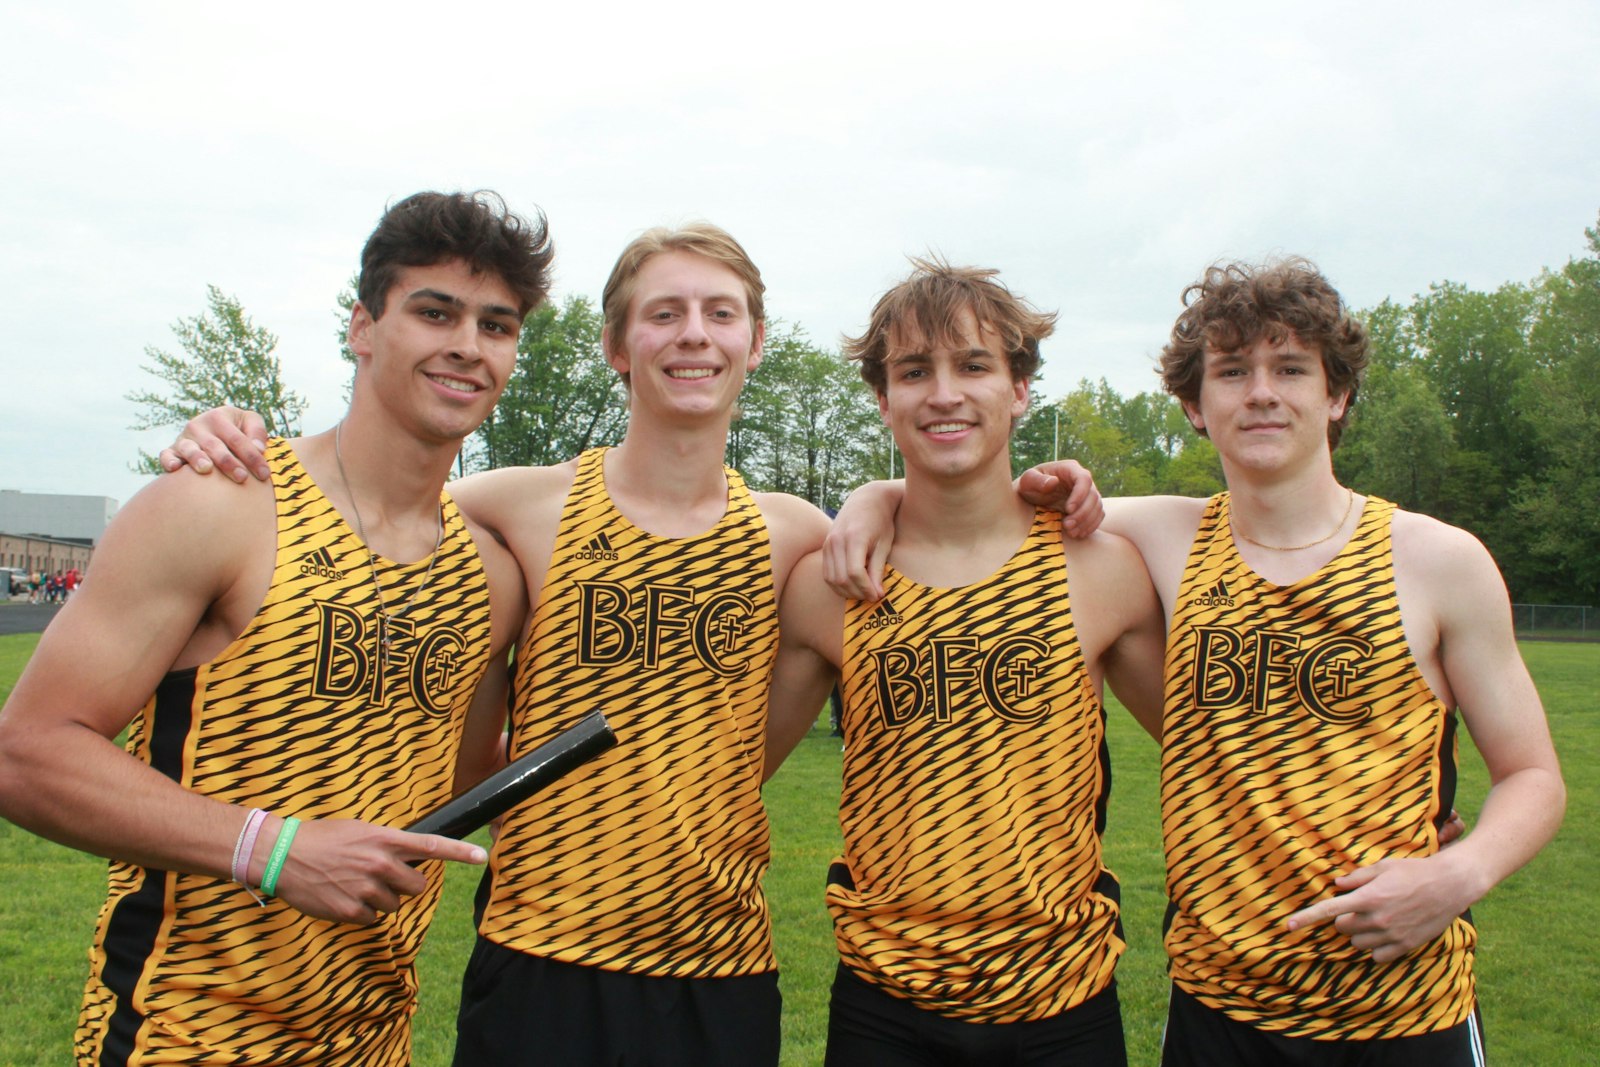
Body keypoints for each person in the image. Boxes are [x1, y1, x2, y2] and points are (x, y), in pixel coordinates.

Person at [827, 258, 1566, 1064]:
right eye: (1232, 371)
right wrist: (878, 496)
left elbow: (1534, 774)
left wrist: (1455, 877)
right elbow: (981, 497)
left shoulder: (1437, 559)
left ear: (1338, 393)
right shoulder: (1163, 539)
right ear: (1193, 403)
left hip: (1402, 998)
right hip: (1220, 1007)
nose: (1261, 392)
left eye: (1291, 369)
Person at [0, 190, 551, 1066]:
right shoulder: (219, 504)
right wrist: (272, 847)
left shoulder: (489, 574)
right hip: (186, 1031)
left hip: (376, 1037)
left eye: (497, 325)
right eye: (434, 312)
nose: (467, 346)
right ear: (362, 327)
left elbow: (462, 761)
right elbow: (26, 751)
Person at [764, 258, 1166, 1066]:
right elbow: (723, 769)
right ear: (884, 399)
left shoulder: (1101, 569)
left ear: (1020, 390)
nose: (943, 393)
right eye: (915, 371)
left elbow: (1219, 745)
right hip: (885, 1005)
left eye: (973, 365)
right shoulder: (832, 584)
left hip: (1063, 1000)